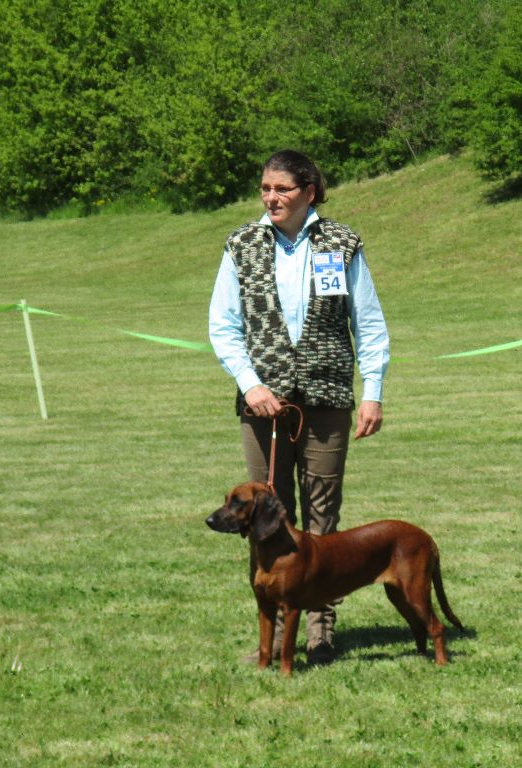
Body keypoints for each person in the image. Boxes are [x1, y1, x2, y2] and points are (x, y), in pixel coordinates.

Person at [208, 149, 390, 665]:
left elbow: (368, 322)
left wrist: (372, 389)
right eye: (265, 188)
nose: (271, 198)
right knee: (263, 517)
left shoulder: (341, 243)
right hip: (263, 407)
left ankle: (319, 632)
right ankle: (270, 638)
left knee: (321, 516)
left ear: (309, 190)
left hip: (328, 400)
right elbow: (223, 325)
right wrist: (250, 385)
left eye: (282, 189)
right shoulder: (241, 245)